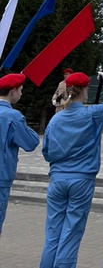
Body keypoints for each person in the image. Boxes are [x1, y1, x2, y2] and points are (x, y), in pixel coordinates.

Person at [39, 70, 103, 268]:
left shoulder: (56, 120)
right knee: (71, 233)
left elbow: (46, 152)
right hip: (81, 179)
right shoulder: (92, 115)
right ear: (85, 91)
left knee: (52, 234)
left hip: (58, 178)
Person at [0, 72, 39, 235]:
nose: (21, 94)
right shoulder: (13, 116)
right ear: (13, 91)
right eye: (21, 90)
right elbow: (31, 142)